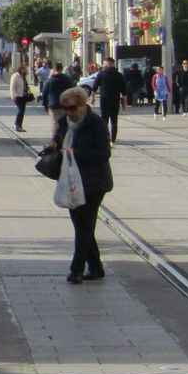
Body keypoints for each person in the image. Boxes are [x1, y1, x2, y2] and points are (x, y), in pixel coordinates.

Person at [52, 87, 113, 283]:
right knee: (82, 226)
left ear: (83, 105)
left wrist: (74, 153)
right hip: (72, 183)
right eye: (65, 108)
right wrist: (54, 144)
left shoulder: (96, 124)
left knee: (83, 226)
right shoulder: (64, 123)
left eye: (71, 108)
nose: (68, 112)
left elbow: (103, 153)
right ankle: (95, 267)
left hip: (93, 183)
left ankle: (76, 269)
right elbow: (59, 138)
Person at [95, 59, 125, 143]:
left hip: (104, 100)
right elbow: (124, 91)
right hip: (115, 101)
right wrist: (124, 104)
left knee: (104, 120)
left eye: (104, 63)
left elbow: (94, 87)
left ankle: (105, 138)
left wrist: (92, 97)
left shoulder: (101, 74)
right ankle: (113, 140)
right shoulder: (119, 75)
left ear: (108, 64)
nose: (103, 65)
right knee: (114, 121)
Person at [42, 66, 73, 136]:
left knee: (55, 123)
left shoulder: (50, 80)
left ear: (55, 70)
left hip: (53, 105)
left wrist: (45, 105)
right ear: (61, 70)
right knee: (65, 122)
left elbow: (44, 93)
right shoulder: (67, 79)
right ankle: (64, 138)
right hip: (65, 104)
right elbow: (72, 91)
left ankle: (55, 140)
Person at [9, 66, 32, 134]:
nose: (25, 70)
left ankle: (19, 126)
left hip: (24, 96)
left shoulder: (23, 76)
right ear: (20, 69)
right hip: (18, 96)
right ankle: (16, 124)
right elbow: (12, 86)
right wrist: (13, 96)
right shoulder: (15, 76)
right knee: (21, 111)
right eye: (24, 69)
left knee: (22, 111)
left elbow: (25, 85)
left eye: (25, 69)